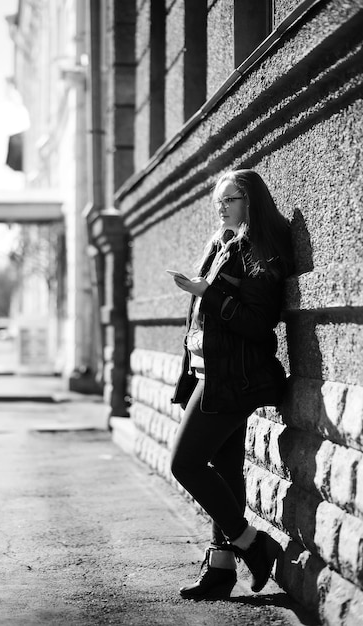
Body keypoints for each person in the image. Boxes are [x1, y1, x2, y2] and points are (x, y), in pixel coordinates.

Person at [168, 169, 294, 599]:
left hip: (233, 379)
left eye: (230, 198)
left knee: (183, 463)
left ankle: (251, 544)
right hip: (208, 372)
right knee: (224, 471)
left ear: (251, 201)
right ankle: (221, 568)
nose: (220, 206)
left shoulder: (260, 250)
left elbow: (259, 325)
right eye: (218, 200)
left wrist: (209, 293)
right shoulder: (221, 244)